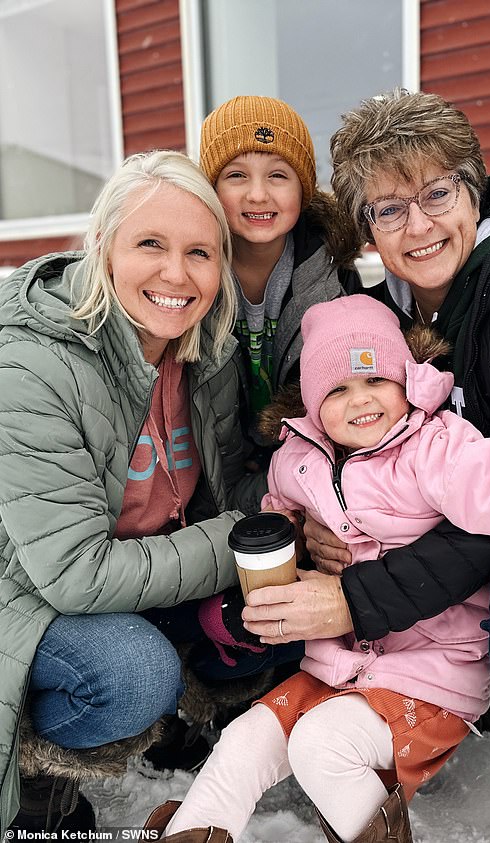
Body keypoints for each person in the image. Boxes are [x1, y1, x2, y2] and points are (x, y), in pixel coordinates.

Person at [240, 90, 490, 842]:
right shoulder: (381, 321)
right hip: (453, 578)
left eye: (436, 192)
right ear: (367, 230)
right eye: (388, 209)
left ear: (475, 189)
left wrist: (357, 595)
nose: (417, 224)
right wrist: (327, 517)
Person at [146, 295, 490, 843]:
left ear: (407, 381)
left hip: (432, 676)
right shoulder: (298, 459)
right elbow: (278, 511)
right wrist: (290, 544)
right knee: (244, 741)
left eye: (376, 379)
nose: (361, 401)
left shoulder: (437, 451)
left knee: (321, 745)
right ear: (311, 404)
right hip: (337, 666)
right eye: (337, 389)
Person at [0, 150, 267, 835]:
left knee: (278, 607)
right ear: (102, 248)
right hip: (28, 593)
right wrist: (241, 536)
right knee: (132, 673)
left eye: (200, 252)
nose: (177, 274)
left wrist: (299, 508)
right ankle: (41, 779)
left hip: (143, 570)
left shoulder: (205, 350)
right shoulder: (34, 363)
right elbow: (73, 575)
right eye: (150, 243)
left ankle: (185, 730)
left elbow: (225, 484)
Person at [189, 95, 361, 686]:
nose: (258, 195)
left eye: (278, 175)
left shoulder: (332, 277)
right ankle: (219, 678)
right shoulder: (188, 277)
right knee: (224, 621)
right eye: (236, 175)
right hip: (215, 485)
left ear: (304, 189)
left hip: (310, 483)